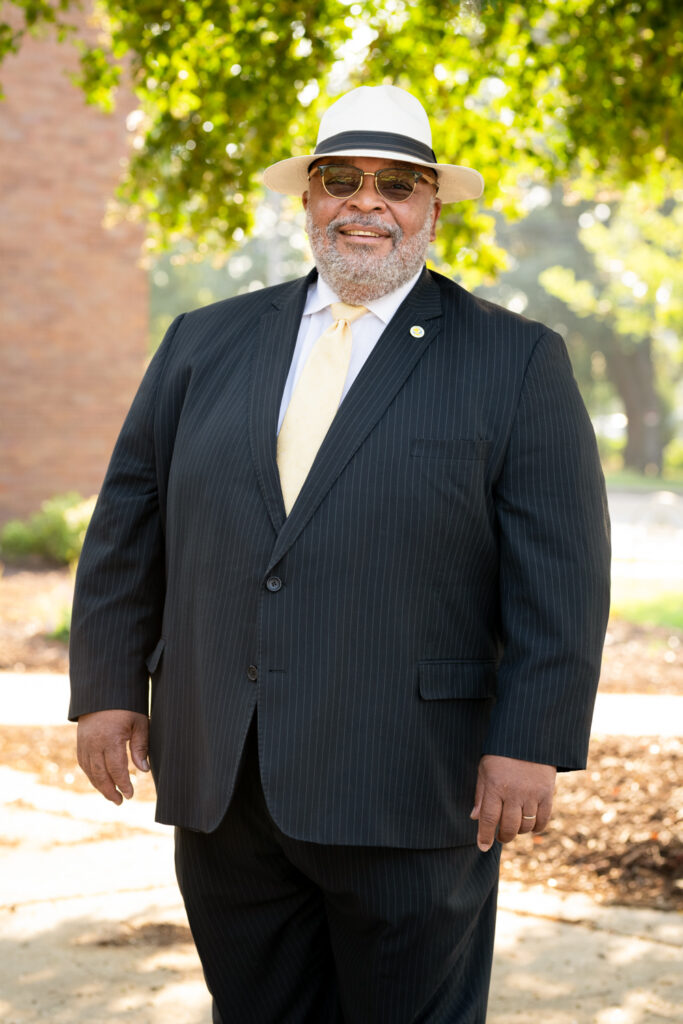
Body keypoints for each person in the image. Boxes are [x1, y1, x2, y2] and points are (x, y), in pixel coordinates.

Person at [69, 84, 610, 1022]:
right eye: (341, 180)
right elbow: (130, 518)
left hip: (409, 779)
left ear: (432, 206)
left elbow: (560, 570)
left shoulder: (515, 358)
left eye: (396, 183)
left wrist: (531, 740)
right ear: (309, 198)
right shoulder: (203, 341)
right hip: (224, 779)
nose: (367, 202)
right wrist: (109, 687)